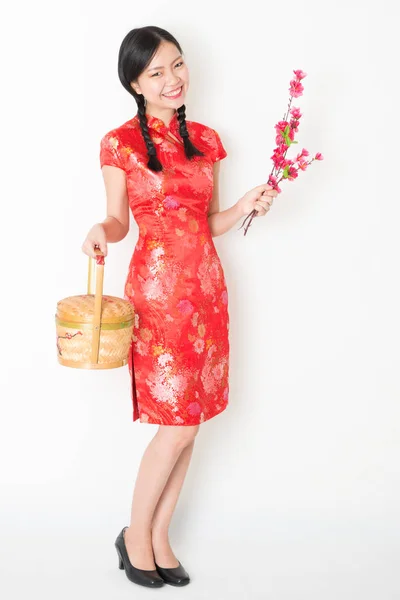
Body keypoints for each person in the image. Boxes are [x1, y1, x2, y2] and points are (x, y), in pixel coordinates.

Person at [81, 25, 277, 589]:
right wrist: (100, 228)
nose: (173, 79)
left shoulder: (208, 141)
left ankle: (160, 534)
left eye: (177, 65)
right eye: (157, 73)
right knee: (175, 425)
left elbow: (207, 224)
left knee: (190, 427)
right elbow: (119, 220)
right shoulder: (119, 143)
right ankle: (135, 535)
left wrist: (243, 205)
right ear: (136, 84)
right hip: (159, 295)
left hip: (208, 293)